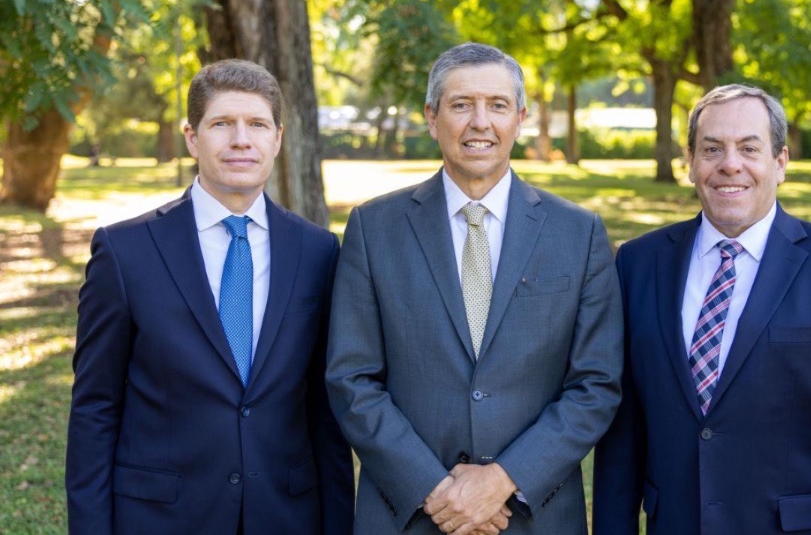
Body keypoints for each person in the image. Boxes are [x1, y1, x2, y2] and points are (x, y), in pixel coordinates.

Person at [325, 42, 623, 534]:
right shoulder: (373, 228)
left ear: (520, 117)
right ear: (431, 116)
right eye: (461, 104)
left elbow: (596, 384)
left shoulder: (579, 232)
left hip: (533, 516)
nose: (480, 122)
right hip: (412, 516)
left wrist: (502, 480)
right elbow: (351, 379)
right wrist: (439, 492)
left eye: (498, 105)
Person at [592, 83, 811, 534]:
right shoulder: (639, 263)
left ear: (780, 163)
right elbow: (622, 436)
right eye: (712, 148)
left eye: (749, 148)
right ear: (691, 163)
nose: (729, 164)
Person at [66, 59, 354, 535]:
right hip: (160, 517)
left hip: (285, 515)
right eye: (222, 124)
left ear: (278, 139)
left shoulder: (318, 250)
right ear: (192, 137)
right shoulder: (125, 252)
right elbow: (96, 408)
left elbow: (326, 413)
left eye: (257, 124)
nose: (241, 139)